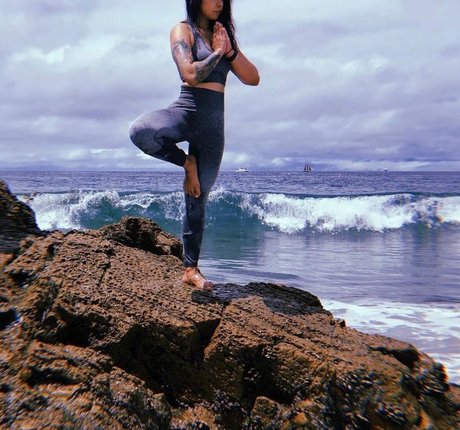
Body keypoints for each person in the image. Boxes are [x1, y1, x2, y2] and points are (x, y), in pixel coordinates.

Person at [129, 0, 259, 290]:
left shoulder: (223, 36)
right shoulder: (183, 31)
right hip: (185, 112)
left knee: (198, 198)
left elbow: (253, 78)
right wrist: (216, 53)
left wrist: (229, 50)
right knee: (140, 130)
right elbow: (188, 73)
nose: (219, 2)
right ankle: (187, 162)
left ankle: (190, 269)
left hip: (212, 127)